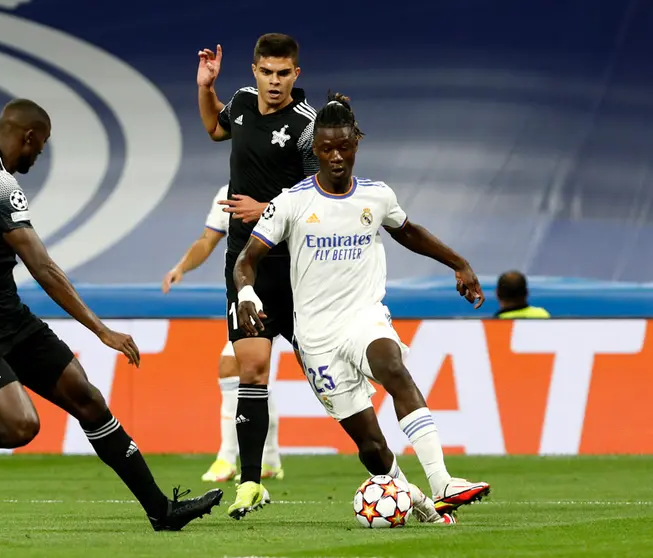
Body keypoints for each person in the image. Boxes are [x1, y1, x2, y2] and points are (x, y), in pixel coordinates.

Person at [0, 98, 222, 531]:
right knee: (21, 426)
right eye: (39, 147)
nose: (38, 155)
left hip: (11, 317)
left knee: (89, 400)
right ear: (27, 137)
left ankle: (162, 512)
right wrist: (101, 331)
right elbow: (42, 268)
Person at [233, 93, 491, 521]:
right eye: (327, 148)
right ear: (314, 149)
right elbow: (247, 260)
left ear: (357, 144)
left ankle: (442, 481)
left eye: (345, 147)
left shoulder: (377, 196)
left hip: (363, 317)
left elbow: (408, 232)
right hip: (316, 337)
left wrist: (458, 263)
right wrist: (245, 293)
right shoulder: (292, 202)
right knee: (371, 447)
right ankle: (423, 506)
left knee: (393, 367)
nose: (336, 157)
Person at [197, 33, 317, 518]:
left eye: (282, 73)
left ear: (296, 74)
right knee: (252, 369)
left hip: (298, 266)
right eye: (266, 72)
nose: (273, 81)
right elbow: (214, 130)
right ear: (254, 71)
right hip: (244, 262)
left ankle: (390, 470)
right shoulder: (243, 104)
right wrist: (206, 88)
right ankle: (250, 483)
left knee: (329, 377)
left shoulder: (308, 126)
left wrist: (266, 208)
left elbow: (322, 195)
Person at [162, 184, 283, 483]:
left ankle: (251, 458)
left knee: (254, 370)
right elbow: (207, 240)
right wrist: (181, 267)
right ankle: (248, 458)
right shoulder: (229, 192)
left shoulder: (288, 186)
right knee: (243, 367)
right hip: (249, 293)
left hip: (291, 289)